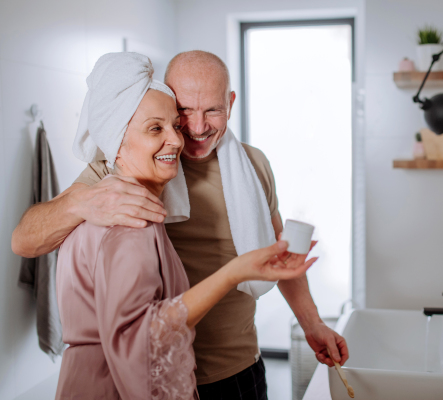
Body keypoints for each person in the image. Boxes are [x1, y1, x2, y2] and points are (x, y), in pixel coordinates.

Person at [12, 50, 348, 399]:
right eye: (184, 111)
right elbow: (25, 241)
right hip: (161, 376)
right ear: (169, 100)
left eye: (213, 110)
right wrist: (79, 200)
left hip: (242, 366)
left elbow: (278, 256)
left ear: (230, 104)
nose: (197, 128)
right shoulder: (122, 166)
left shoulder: (253, 166)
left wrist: (313, 324)